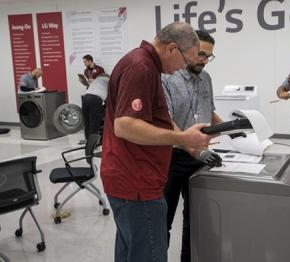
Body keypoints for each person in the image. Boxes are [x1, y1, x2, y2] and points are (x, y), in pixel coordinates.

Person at [100, 22, 215, 262]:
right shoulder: (141, 67)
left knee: (131, 250)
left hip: (131, 177)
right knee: (148, 252)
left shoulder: (144, 65)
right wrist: (182, 138)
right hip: (137, 181)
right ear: (172, 48)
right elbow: (125, 125)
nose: (183, 67)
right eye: (185, 60)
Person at [161, 29, 222, 262]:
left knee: (194, 221)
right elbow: (167, 120)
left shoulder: (206, 78)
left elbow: (210, 111)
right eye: (201, 54)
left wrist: (235, 131)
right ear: (188, 49)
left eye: (209, 56)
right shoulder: (167, 77)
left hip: (199, 158)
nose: (204, 61)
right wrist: (195, 149)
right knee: (162, 221)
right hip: (171, 158)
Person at [81, 73, 109, 140]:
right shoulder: (108, 80)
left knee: (87, 122)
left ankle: (88, 142)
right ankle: (93, 144)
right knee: (94, 123)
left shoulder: (96, 80)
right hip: (95, 98)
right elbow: (110, 95)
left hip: (85, 97)